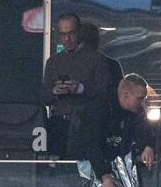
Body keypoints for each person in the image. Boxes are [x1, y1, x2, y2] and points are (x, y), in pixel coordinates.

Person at [41, 12, 115, 159]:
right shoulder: (53, 62)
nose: (67, 39)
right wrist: (55, 91)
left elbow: (105, 93)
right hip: (59, 127)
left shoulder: (97, 59)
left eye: (71, 33)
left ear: (79, 32)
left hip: (88, 127)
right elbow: (44, 97)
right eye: (63, 34)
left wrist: (80, 88)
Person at [88, 73, 157, 187]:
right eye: (139, 98)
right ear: (125, 94)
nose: (142, 103)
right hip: (94, 167)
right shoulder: (98, 107)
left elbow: (144, 128)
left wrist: (148, 146)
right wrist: (105, 175)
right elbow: (92, 144)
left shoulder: (136, 111)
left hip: (119, 166)